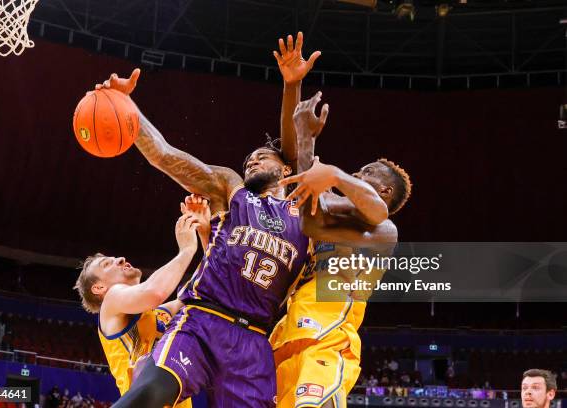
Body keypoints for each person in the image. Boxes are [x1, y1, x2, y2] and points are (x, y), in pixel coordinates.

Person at [95, 64, 312, 407]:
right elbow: (165, 156)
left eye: (262, 158)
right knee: (149, 392)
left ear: (286, 169)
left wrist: (293, 87)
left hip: (254, 342)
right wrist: (126, 108)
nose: (251, 162)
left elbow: (306, 156)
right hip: (202, 321)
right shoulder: (232, 189)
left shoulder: (308, 214)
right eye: (249, 160)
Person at [271, 92, 411, 407]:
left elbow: (339, 211)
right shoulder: (326, 221)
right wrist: (304, 134)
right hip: (285, 338)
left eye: (365, 174)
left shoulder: (383, 232)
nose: (357, 175)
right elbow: (310, 211)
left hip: (329, 339)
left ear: (384, 191)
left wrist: (331, 171)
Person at [74, 195, 208, 407]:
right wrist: (187, 250)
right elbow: (154, 292)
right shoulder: (111, 302)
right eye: (108, 264)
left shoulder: (159, 314)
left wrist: (205, 231)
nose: (120, 259)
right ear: (99, 288)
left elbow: (204, 290)